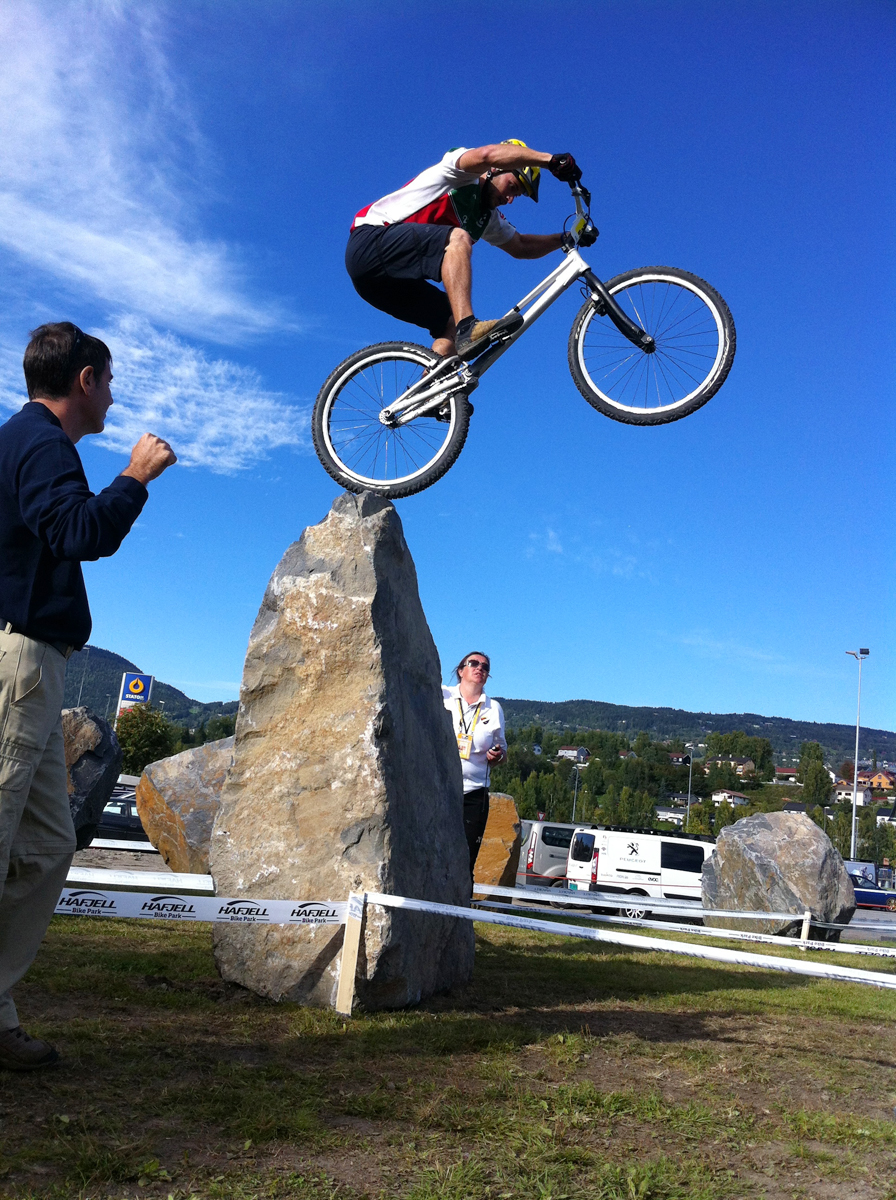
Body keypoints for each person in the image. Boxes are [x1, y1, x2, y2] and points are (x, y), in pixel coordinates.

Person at [0, 322, 176, 1071]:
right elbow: (79, 531)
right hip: (19, 665)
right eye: (108, 382)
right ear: (84, 381)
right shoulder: (41, 443)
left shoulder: (27, 441)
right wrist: (135, 477)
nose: (111, 396)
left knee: (44, 847)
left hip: (38, 664)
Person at [346, 140, 591, 359]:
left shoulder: (488, 217)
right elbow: (486, 155)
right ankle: (469, 328)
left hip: (382, 283)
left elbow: (521, 246)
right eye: (513, 187)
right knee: (458, 237)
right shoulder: (459, 172)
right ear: (498, 168)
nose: (510, 199)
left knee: (448, 325)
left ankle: (431, 394)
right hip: (370, 242)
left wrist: (566, 238)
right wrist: (549, 161)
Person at [442, 652, 507, 884]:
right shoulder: (442, 695)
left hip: (474, 793)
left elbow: (502, 752)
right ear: (461, 670)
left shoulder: (493, 708)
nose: (480, 668)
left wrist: (497, 755)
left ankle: (460, 915)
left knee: (465, 860)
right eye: (474, 663)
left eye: (485, 667)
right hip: (440, 788)